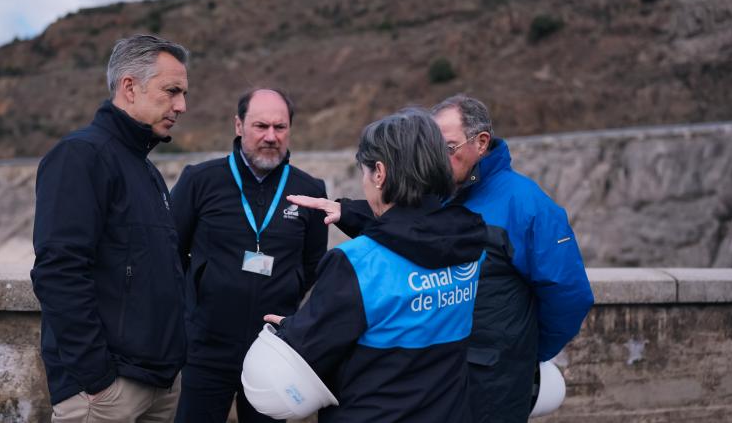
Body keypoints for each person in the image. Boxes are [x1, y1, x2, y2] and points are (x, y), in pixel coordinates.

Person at [302, 95, 594, 422]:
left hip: (494, 385)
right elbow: (415, 236)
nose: (438, 158)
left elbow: (569, 295)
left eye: (449, 147)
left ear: (481, 143)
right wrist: (350, 212)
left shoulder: (527, 206)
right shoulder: (443, 195)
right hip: (441, 384)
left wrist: (521, 356)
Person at [267, 108, 487, 422]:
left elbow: (309, 354)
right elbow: (417, 228)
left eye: (366, 171)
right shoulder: (469, 243)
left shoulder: (356, 263)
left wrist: (289, 330)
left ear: (380, 173)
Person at [31, 34, 190, 423]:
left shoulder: (145, 168)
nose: (181, 106)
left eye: (183, 93)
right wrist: (97, 380)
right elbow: (59, 271)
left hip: (157, 382)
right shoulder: (81, 156)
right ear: (130, 87)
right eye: (171, 91)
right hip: (108, 391)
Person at [170, 88, 329, 423]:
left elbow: (313, 263)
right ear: (239, 126)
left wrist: (289, 290)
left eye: (280, 127)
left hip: (271, 350)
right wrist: (198, 297)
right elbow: (170, 252)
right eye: (261, 126)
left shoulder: (310, 190)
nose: (271, 136)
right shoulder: (200, 180)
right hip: (207, 346)